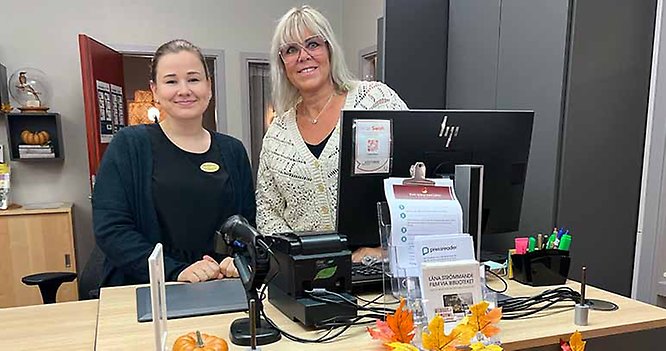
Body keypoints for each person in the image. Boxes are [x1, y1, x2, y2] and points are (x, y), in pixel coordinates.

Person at [92, 39, 255, 287]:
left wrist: (239, 258)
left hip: (221, 285)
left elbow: (246, 224)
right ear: (155, 90)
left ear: (208, 87)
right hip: (148, 288)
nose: (184, 90)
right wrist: (175, 271)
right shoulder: (129, 145)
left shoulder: (233, 150)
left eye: (193, 79)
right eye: (171, 81)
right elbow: (112, 230)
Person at [256, 6, 408, 262]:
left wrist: (387, 250)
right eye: (291, 50)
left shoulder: (375, 101)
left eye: (313, 44)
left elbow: (418, 182)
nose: (303, 56)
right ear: (282, 63)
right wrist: (300, 259)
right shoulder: (277, 135)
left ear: (329, 50)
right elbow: (268, 211)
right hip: (311, 278)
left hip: (381, 270)